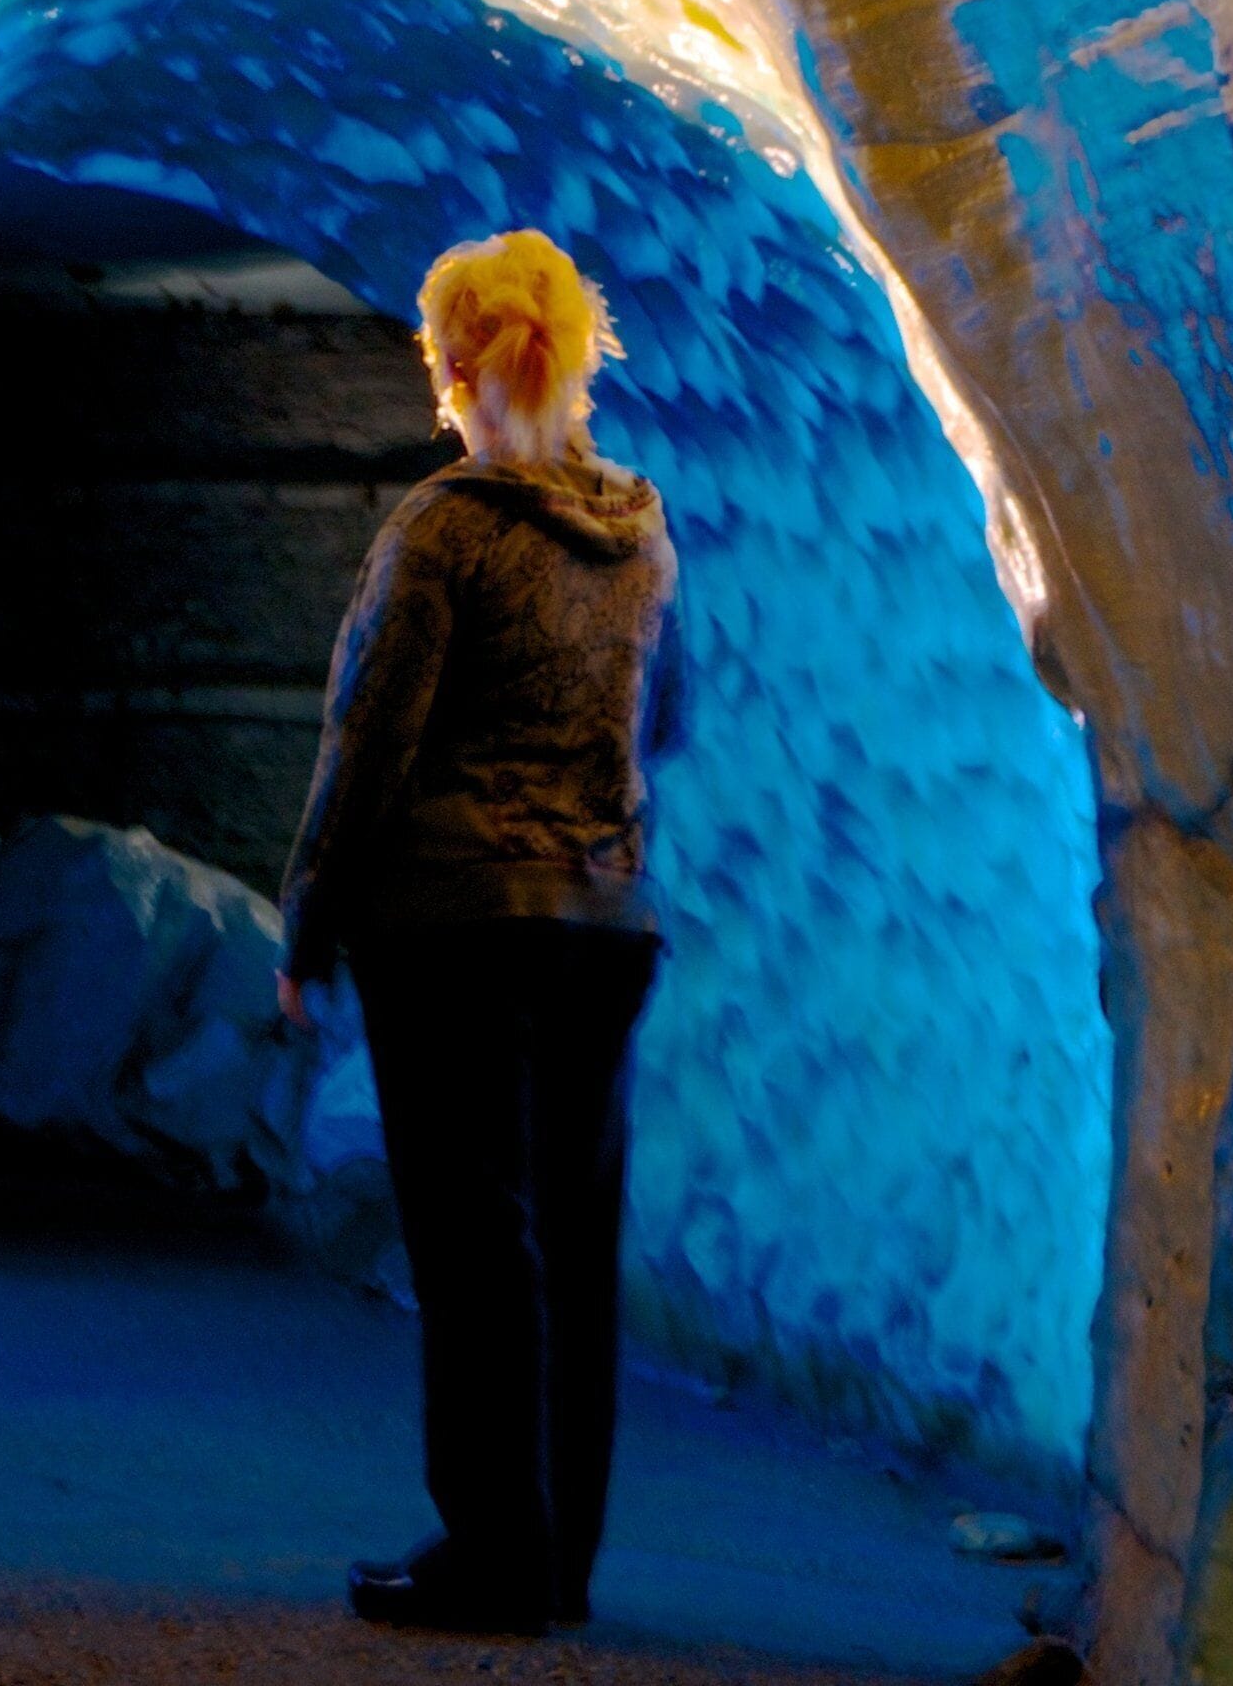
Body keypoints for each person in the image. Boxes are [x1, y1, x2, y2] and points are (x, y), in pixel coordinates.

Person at [278, 227, 685, 1636]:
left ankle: (491, 1553)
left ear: (450, 364)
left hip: (455, 922)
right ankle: (557, 1558)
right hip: (602, 922)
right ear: (580, 357)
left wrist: (308, 920)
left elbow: (370, 740)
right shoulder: (642, 529)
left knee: (475, 1241)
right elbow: (664, 724)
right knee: (571, 1241)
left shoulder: (444, 529)